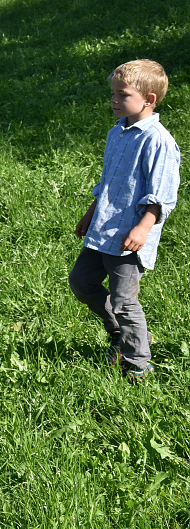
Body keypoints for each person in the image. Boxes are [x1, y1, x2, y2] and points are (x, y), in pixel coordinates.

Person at [69, 59, 180, 382]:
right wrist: (90, 214)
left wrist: (144, 226)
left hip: (129, 236)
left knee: (124, 300)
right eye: (113, 94)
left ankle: (137, 361)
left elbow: (162, 193)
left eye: (122, 95)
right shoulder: (117, 133)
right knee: (82, 282)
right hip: (104, 229)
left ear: (149, 99)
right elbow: (107, 183)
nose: (114, 100)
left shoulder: (157, 140)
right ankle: (118, 332)